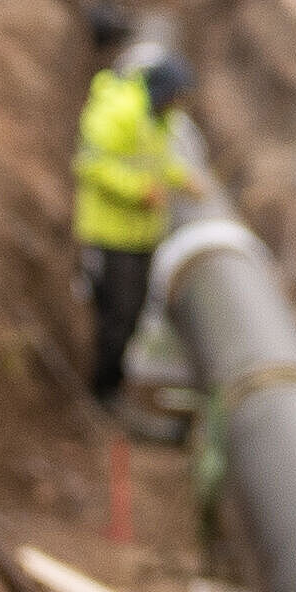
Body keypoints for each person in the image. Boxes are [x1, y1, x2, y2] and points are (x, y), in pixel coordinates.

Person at [76, 38, 212, 395]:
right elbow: (92, 165)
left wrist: (184, 180)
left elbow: (159, 161)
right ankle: (101, 391)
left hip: (141, 233)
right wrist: (140, 190)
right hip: (111, 233)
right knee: (116, 316)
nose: (179, 104)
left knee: (133, 312)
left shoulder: (159, 117)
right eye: (177, 95)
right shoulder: (119, 112)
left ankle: (114, 382)